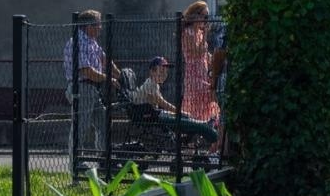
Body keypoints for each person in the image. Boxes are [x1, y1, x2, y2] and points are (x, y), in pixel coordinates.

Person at [62, 10, 121, 152]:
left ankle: (103, 158)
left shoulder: (92, 42)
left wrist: (120, 74)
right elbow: (87, 71)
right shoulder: (77, 42)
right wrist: (110, 79)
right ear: (89, 26)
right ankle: (76, 162)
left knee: (104, 122)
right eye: (98, 25)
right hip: (82, 88)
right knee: (81, 125)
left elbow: (104, 59)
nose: (101, 28)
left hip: (93, 89)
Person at [130, 57, 219, 146]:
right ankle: (204, 126)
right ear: (152, 72)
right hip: (153, 117)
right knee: (185, 119)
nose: (164, 74)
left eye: (166, 72)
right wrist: (180, 112)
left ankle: (203, 125)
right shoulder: (150, 85)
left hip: (155, 115)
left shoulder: (153, 84)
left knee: (186, 118)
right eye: (161, 71)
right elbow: (163, 103)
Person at [179, 0, 220, 126]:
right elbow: (198, 51)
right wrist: (206, 34)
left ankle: (207, 127)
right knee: (203, 99)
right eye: (204, 16)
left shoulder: (199, 33)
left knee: (206, 101)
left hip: (202, 72)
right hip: (193, 75)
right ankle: (201, 126)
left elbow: (204, 54)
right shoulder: (188, 32)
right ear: (196, 15)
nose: (206, 20)